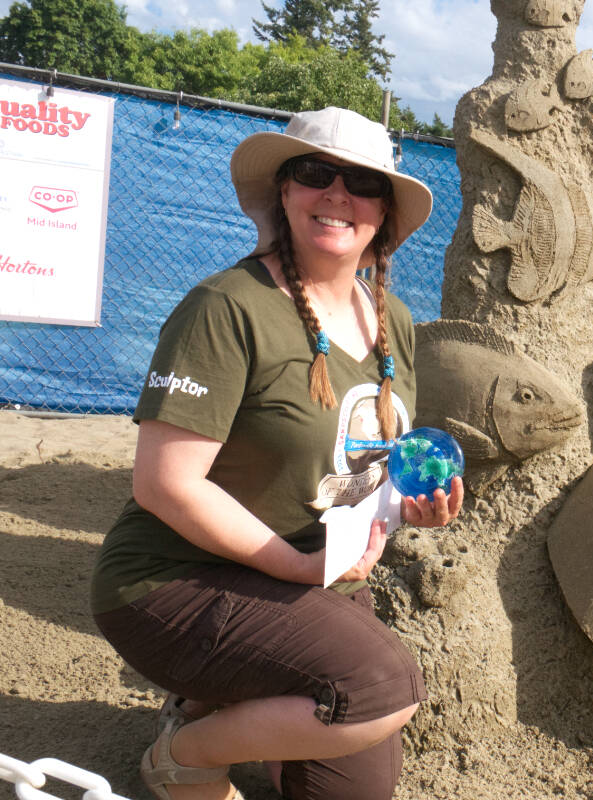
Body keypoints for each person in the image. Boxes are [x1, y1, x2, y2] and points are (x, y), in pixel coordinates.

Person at [90, 106, 464, 800]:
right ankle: (185, 753)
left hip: (310, 583)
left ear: (384, 212)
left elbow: (361, 465)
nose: (337, 194)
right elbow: (165, 484)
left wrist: (416, 508)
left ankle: (222, 700)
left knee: (352, 792)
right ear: (284, 192)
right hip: (177, 579)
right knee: (383, 688)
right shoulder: (227, 306)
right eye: (315, 173)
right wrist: (296, 563)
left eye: (361, 182)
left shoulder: (394, 323)